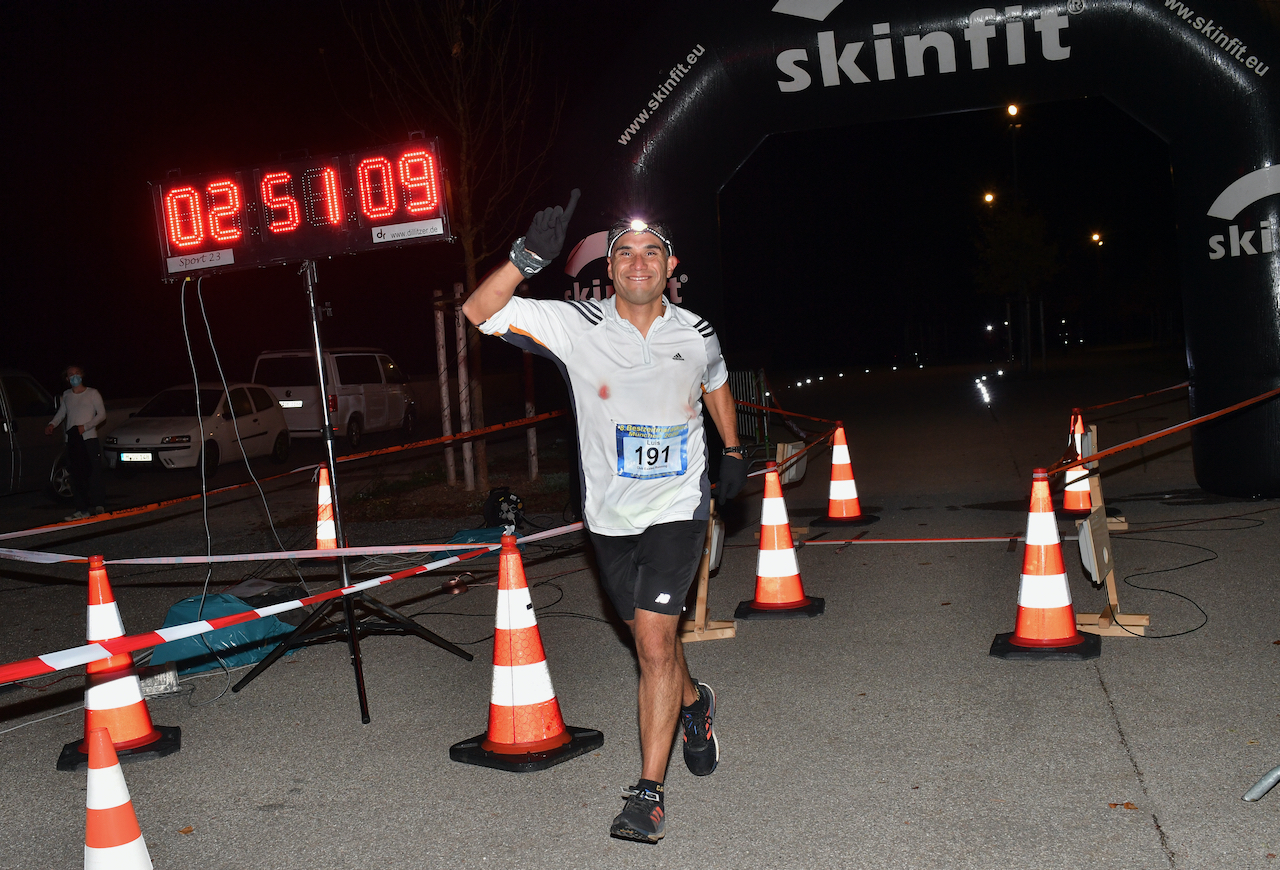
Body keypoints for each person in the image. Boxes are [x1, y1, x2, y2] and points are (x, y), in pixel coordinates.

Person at [462, 190, 748, 843]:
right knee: (656, 644)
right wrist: (525, 257)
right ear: (609, 267)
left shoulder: (696, 331)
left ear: (670, 264)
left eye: (651, 251)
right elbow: (480, 311)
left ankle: (647, 795)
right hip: (609, 520)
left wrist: (732, 449)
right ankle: (695, 703)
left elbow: (717, 382)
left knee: (652, 643)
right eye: (625, 252)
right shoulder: (576, 324)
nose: (638, 262)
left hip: (679, 508)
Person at [44, 364, 107, 520]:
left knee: (93, 473)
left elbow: (102, 415)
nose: (74, 376)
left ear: (82, 375)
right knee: (76, 476)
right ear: (67, 378)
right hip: (72, 442)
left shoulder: (92, 393)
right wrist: (52, 424)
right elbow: (62, 413)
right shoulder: (66, 395)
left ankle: (99, 505)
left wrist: (85, 427)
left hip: (89, 439)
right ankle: (81, 509)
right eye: (70, 374)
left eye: (77, 373)